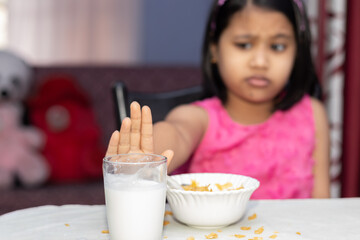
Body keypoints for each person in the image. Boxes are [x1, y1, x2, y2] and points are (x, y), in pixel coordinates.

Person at [106, 0, 330, 199]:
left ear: (297, 53)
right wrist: (146, 158)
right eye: (244, 44)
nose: (261, 62)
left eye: (277, 46)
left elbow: (321, 206)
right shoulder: (198, 119)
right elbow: (177, 132)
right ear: (214, 49)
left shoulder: (312, 113)